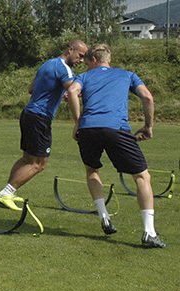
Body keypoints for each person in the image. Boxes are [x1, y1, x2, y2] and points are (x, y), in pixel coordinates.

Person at [66, 44, 166, 248]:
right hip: (116, 128)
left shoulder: (84, 77)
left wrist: (78, 122)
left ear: (93, 60)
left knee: (92, 169)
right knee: (142, 176)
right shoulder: (127, 74)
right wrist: (148, 126)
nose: (85, 65)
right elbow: (147, 96)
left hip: (89, 129)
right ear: (108, 60)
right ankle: (149, 232)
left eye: (86, 62)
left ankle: (104, 216)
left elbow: (72, 92)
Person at [0, 40, 88, 210]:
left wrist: (58, 94)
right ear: (70, 50)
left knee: (27, 159)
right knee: (39, 164)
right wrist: (78, 122)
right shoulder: (66, 70)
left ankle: (8, 192)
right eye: (80, 56)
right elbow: (74, 93)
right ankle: (6, 192)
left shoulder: (48, 64)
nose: (81, 61)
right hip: (39, 118)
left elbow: (31, 89)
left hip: (28, 114)